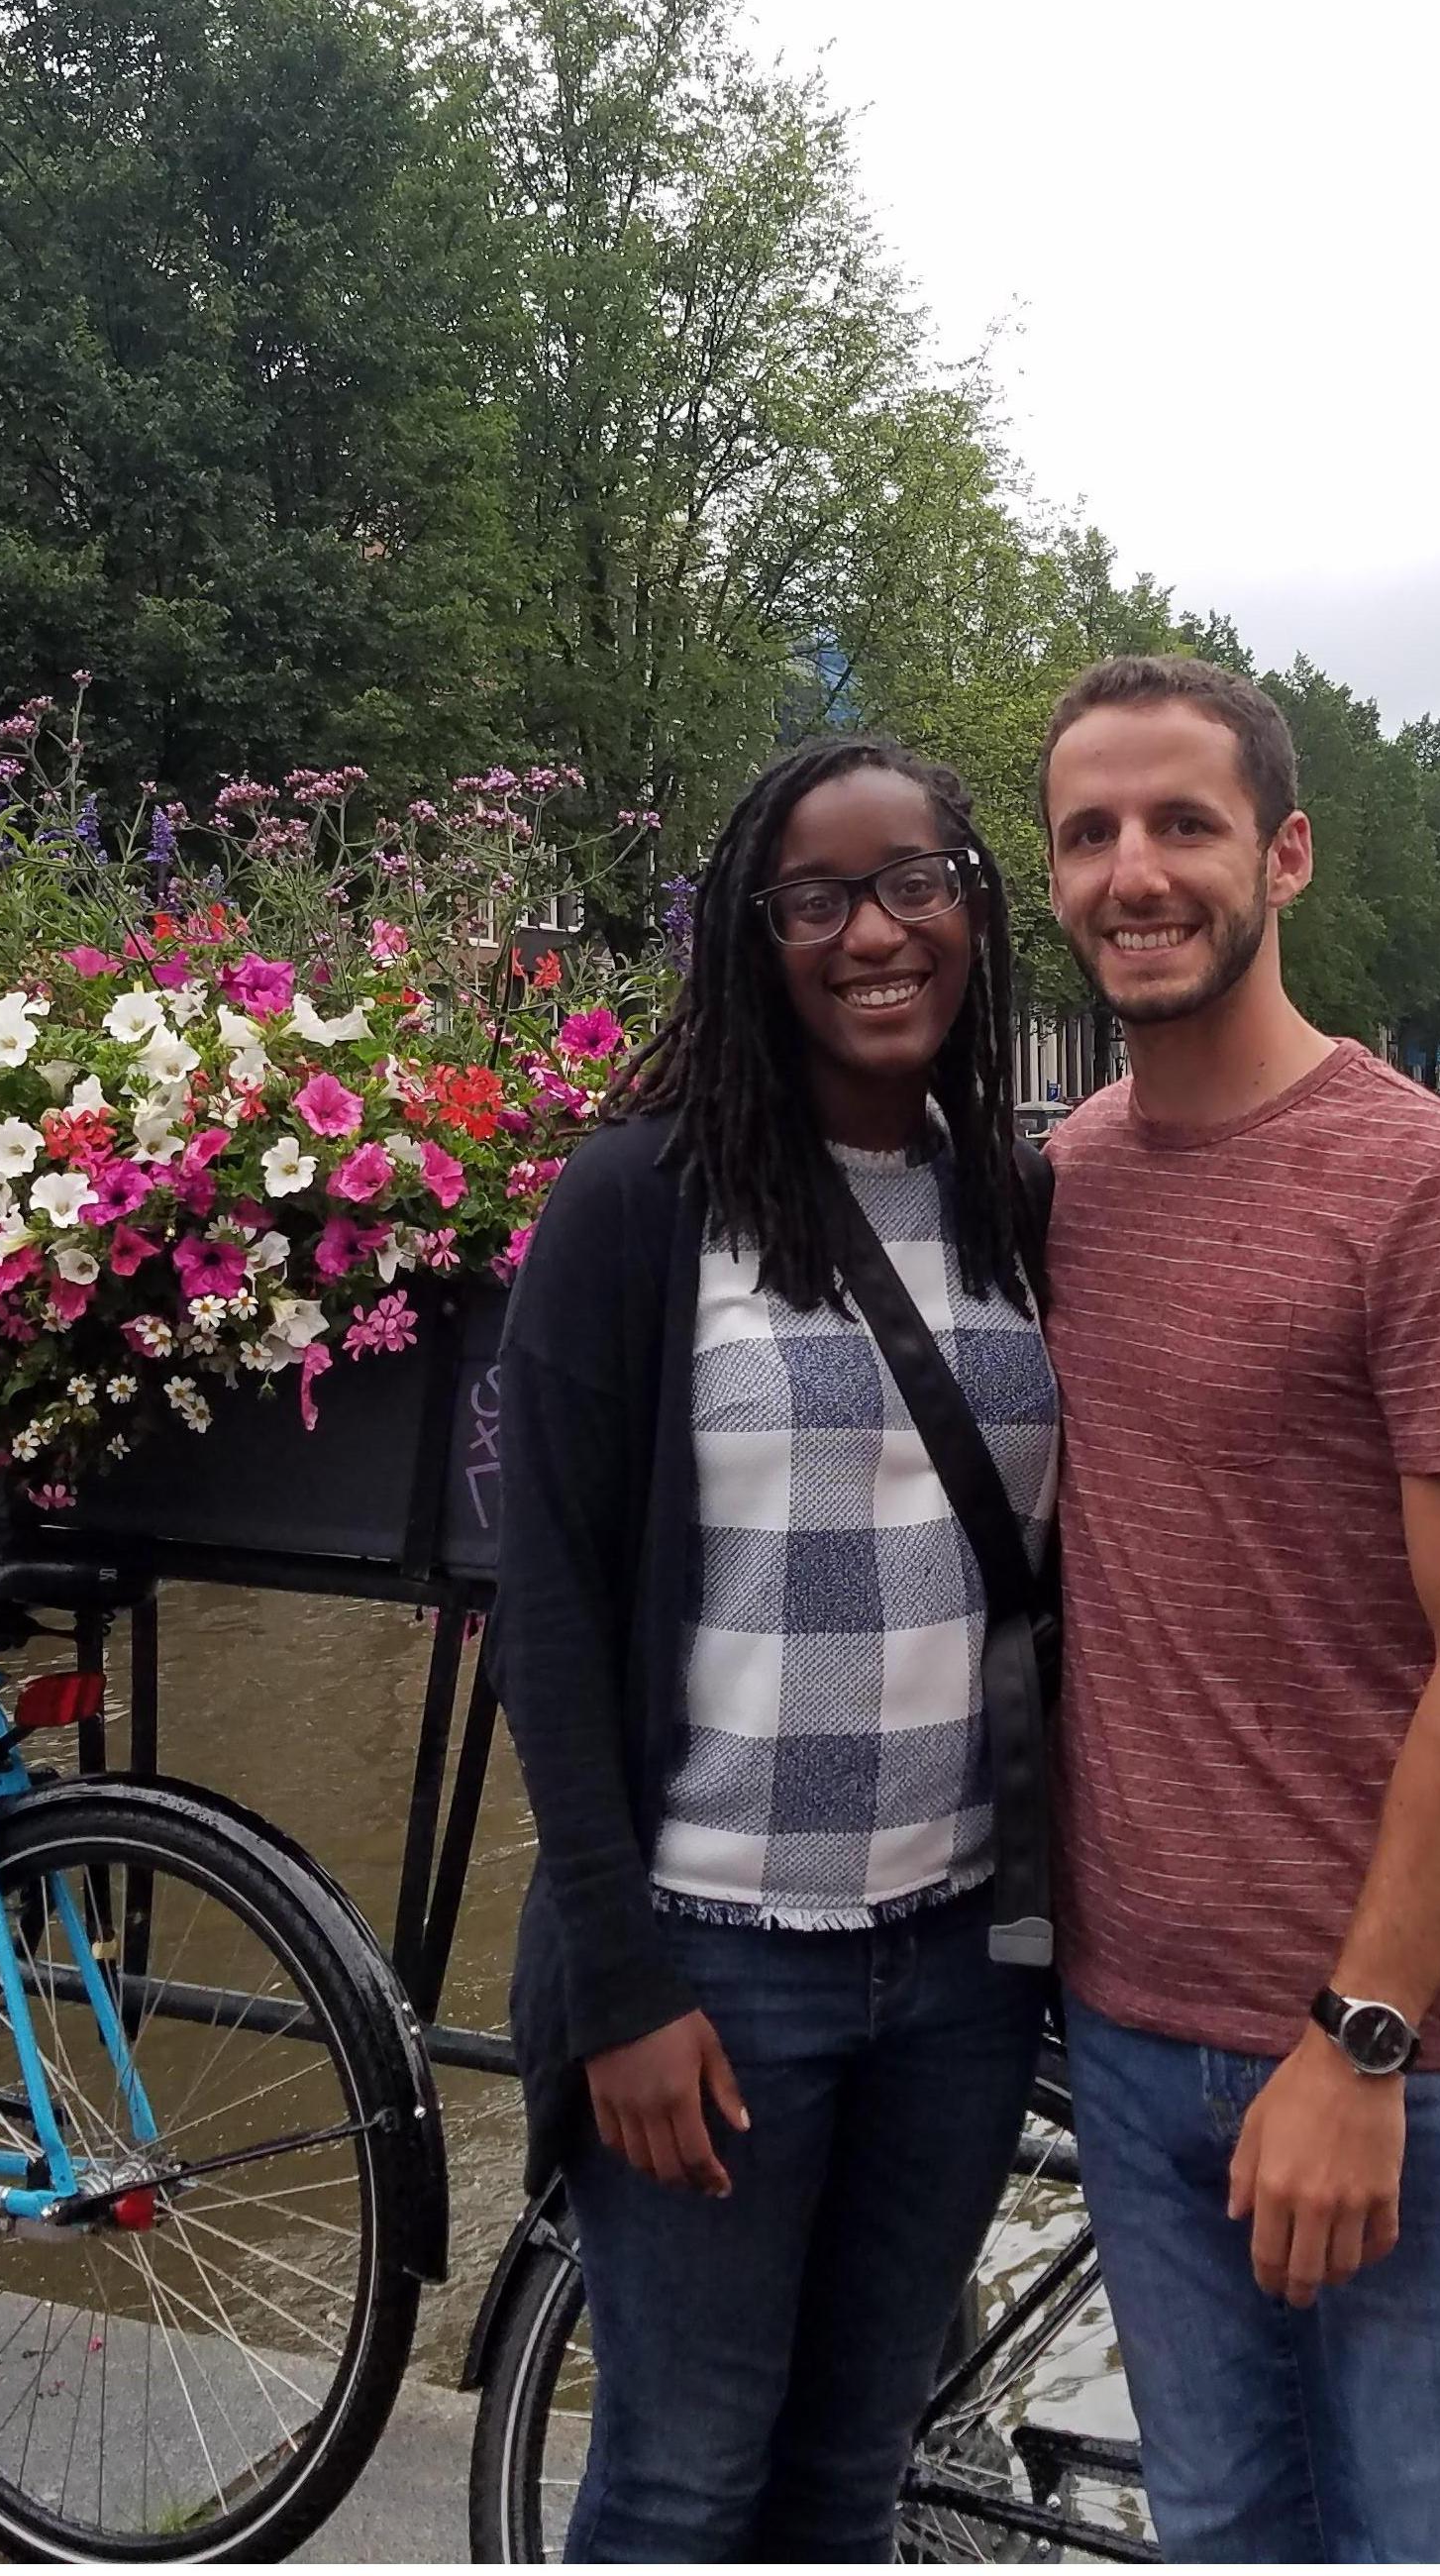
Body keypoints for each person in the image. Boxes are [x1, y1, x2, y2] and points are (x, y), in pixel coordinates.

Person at [1037, 654, 1440, 2563]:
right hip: (1126, 2035)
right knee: (1221, 2539)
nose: (1136, 872)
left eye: (1182, 824)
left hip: (1396, 2061)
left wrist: (1361, 2043)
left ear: (1285, 857)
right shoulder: (1056, 1193)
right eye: (1089, 833)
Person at [489, 734, 1057, 2562]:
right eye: (815, 897)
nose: (871, 931)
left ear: (973, 911)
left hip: (965, 1965)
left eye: (913, 884)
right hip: (720, 1962)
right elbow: (553, 1619)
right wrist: (622, 1986)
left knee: (851, 2470)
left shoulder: (1021, 1205)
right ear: (754, 936)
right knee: (681, 2472)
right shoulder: (638, 1207)